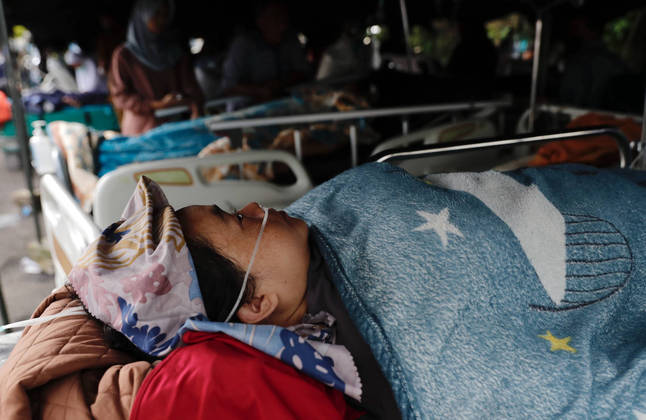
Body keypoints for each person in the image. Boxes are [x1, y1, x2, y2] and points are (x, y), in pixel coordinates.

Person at [2, 162, 646, 419]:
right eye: (236, 220)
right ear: (255, 308)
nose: (257, 205)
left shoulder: (313, 223)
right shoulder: (424, 371)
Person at [109, 0, 204, 136]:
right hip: (141, 132)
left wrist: (194, 106)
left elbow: (192, 89)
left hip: (178, 127)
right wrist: (157, 105)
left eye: (166, 15)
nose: (162, 20)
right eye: (157, 14)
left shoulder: (175, 52)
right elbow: (120, 97)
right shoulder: (124, 56)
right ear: (143, 15)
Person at [218, 0, 311, 102]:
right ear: (260, 21)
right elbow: (228, 86)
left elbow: (302, 72)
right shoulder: (243, 45)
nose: (282, 24)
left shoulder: (290, 40)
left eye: (283, 18)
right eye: (275, 18)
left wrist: (280, 83)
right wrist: (259, 90)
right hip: (246, 110)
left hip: (288, 104)